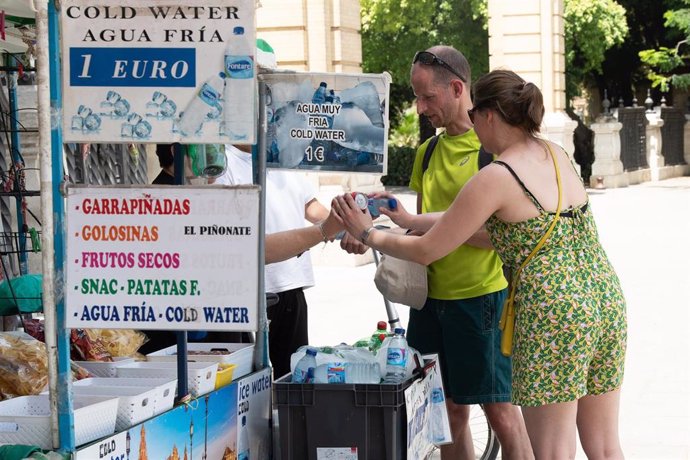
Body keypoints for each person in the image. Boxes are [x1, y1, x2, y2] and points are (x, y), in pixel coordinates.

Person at [333, 69, 627, 459]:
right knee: (605, 447)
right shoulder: (555, 155)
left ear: (488, 115)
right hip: (604, 300)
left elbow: (428, 251)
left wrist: (367, 233)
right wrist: (407, 220)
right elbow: (468, 218)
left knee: (553, 451)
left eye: (475, 118)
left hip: (556, 312)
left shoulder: (498, 174)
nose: (474, 130)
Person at [371, 46, 532, 459]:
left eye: (427, 97)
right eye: (416, 96)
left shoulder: (494, 151)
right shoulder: (426, 153)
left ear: (458, 88)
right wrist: (373, 225)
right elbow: (420, 221)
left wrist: (445, 230)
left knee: (501, 413)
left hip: (480, 301)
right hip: (429, 303)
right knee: (446, 414)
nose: (420, 107)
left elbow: (501, 235)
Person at [212, 145, 365, 378]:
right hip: (248, 293)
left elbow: (310, 206)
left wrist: (348, 227)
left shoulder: (284, 158)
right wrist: (329, 229)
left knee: (294, 374)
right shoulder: (223, 166)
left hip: (291, 284)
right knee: (247, 379)